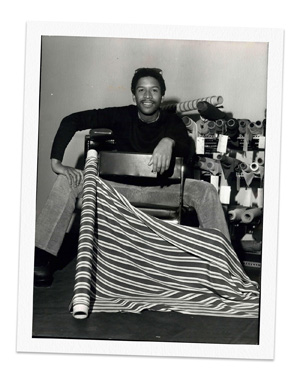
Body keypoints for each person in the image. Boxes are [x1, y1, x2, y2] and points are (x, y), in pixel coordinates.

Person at [34, 68, 230, 286]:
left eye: (154, 90)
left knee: (206, 190)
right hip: (119, 190)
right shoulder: (120, 115)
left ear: (162, 95)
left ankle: (222, 265)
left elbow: (187, 148)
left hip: (162, 191)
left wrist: (169, 141)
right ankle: (41, 259)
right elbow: (72, 120)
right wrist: (56, 163)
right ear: (133, 95)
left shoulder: (172, 122)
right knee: (66, 181)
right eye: (141, 90)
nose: (147, 96)